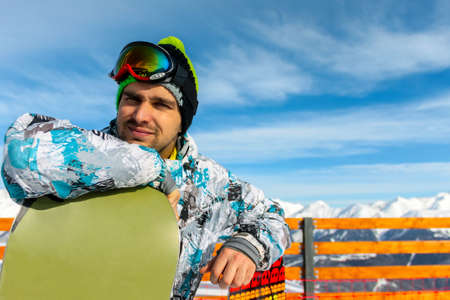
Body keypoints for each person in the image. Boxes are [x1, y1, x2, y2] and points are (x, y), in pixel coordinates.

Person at [1, 36, 291, 299]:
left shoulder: (208, 181)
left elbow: (273, 215)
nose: (141, 115)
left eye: (161, 104)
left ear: (182, 119)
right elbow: (19, 154)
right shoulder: (83, 152)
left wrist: (251, 244)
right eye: (132, 99)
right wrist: (152, 168)